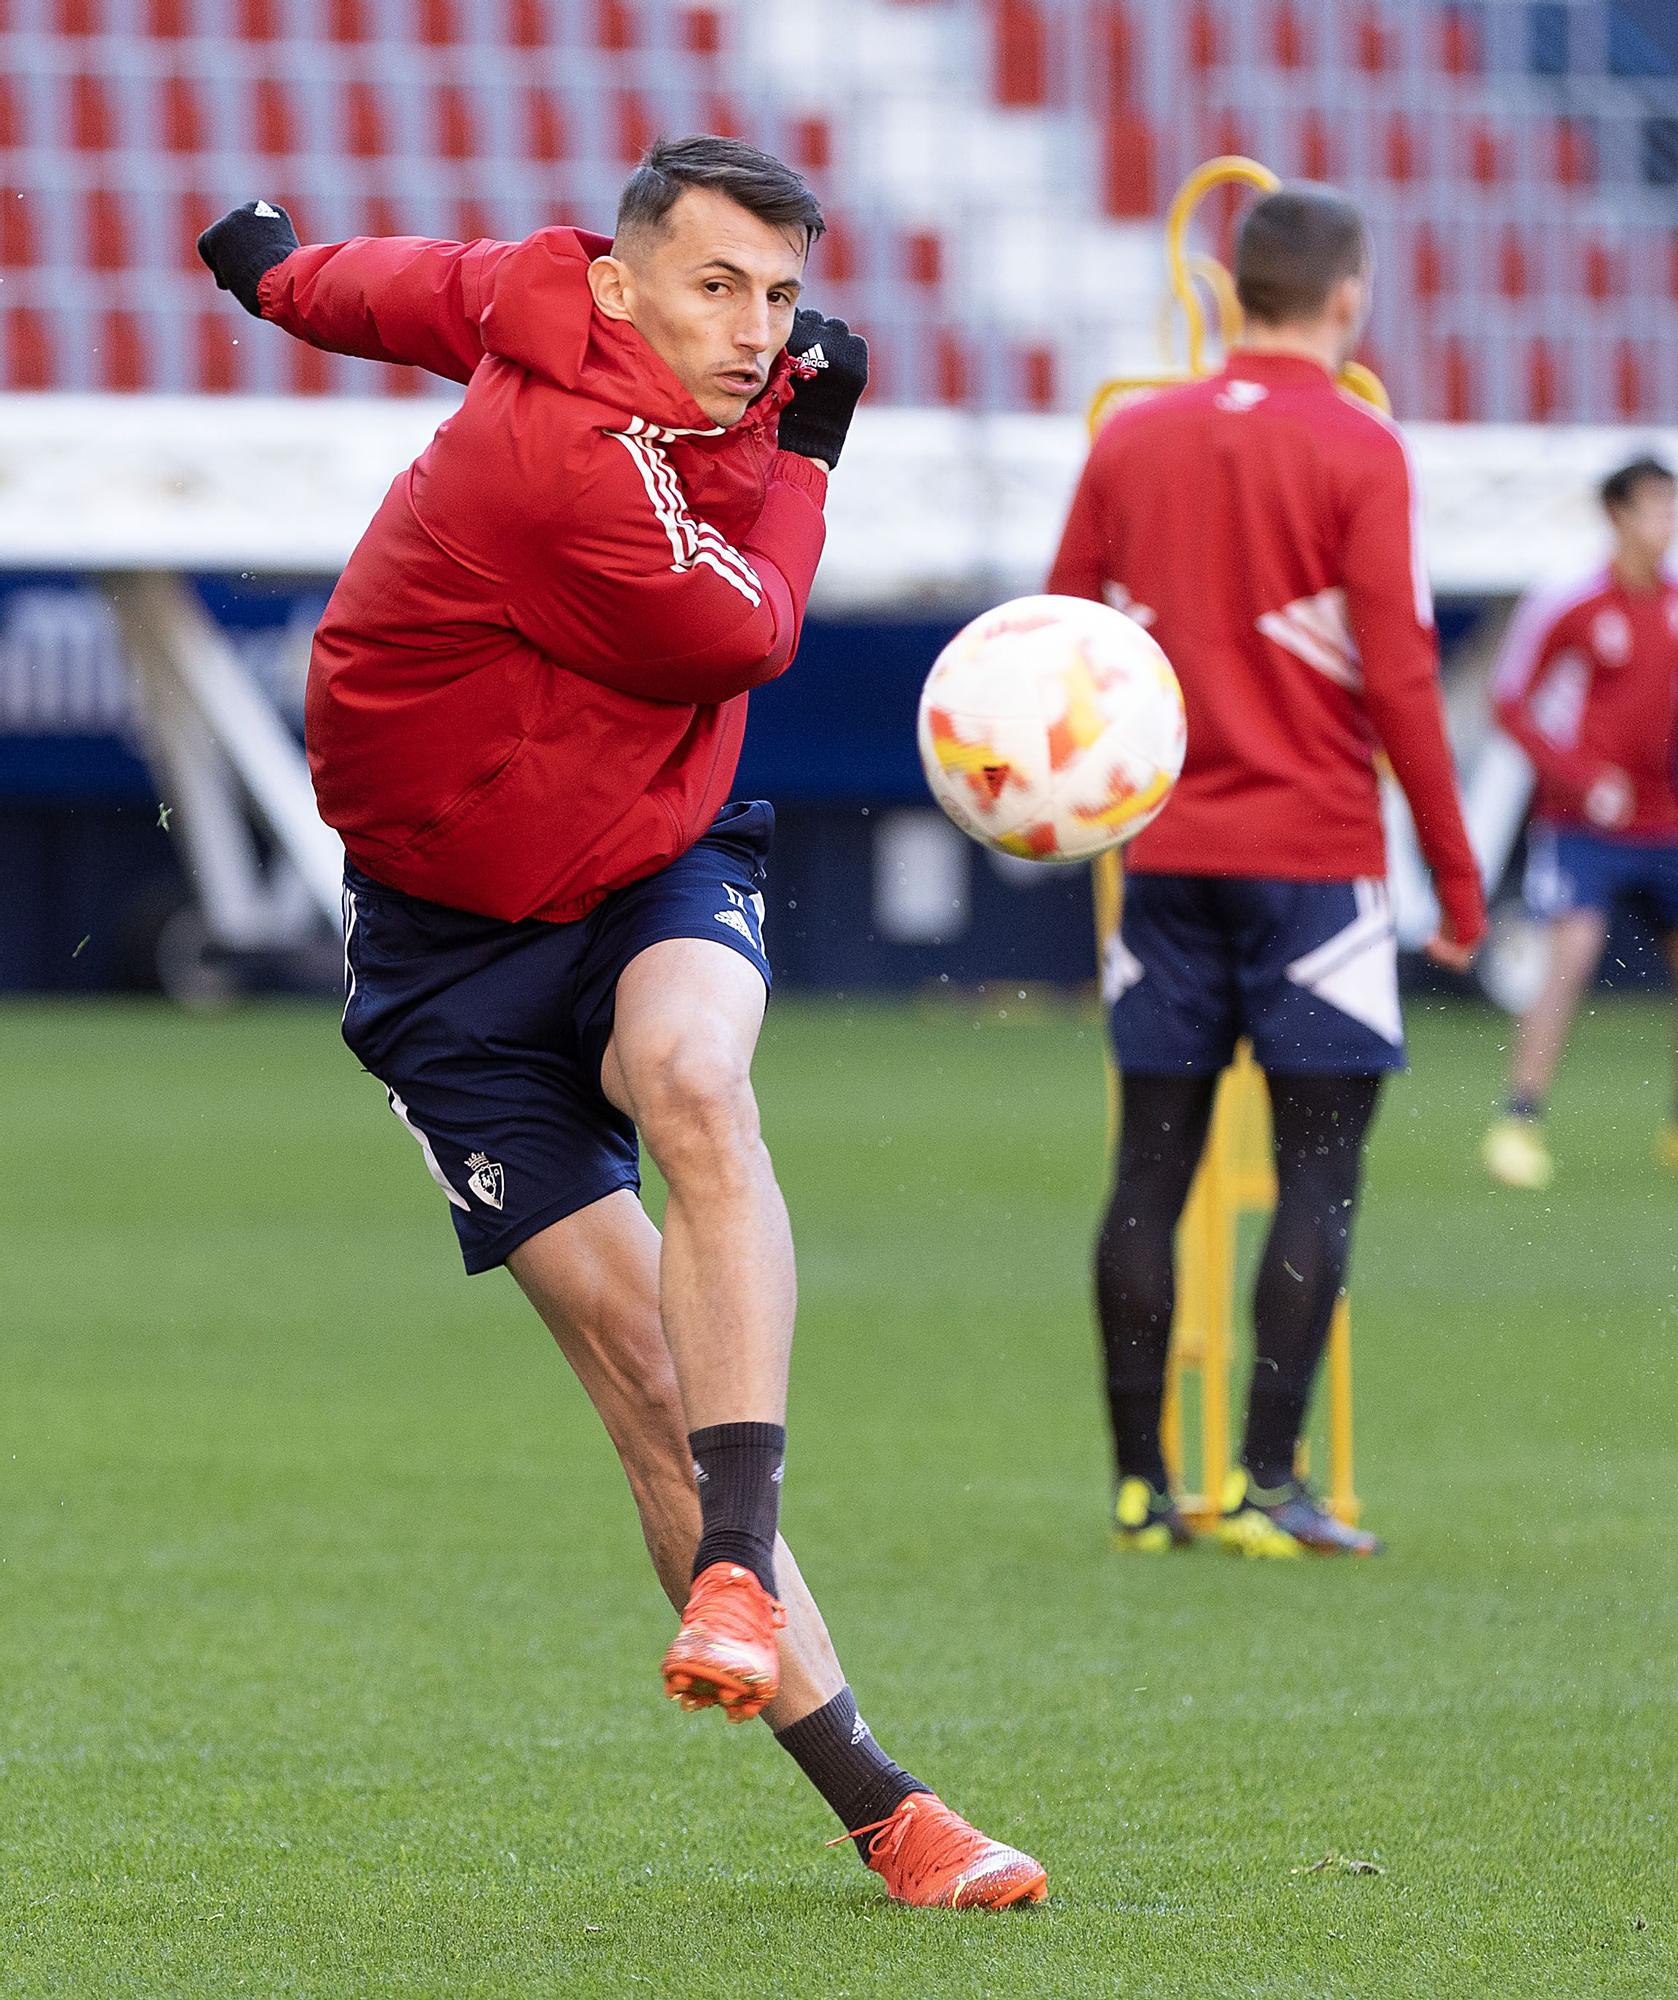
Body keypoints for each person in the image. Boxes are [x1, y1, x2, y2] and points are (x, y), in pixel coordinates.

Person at [197, 135, 1045, 1909]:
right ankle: (879, 1806)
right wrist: (809, 459)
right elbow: (743, 631)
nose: (754, 334)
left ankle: (738, 1565)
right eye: (717, 288)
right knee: (639, 1380)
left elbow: (393, 287)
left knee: (690, 1081)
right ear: (617, 282)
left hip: (652, 856)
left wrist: (277, 272)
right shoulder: (566, 463)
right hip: (446, 960)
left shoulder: (528, 288)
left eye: (782, 298)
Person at [1047, 183, 1486, 1560]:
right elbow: (1402, 679)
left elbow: (1060, 632)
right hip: (1311, 862)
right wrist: (1457, 879)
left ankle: (1136, 1486)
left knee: (1147, 1176)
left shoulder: (1132, 435)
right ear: (1347, 296)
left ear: (1231, 289)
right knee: (1314, 1175)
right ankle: (1263, 1481)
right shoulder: (1360, 445)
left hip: (1164, 856)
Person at [1482, 457, 1678, 1190]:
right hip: (1581, 826)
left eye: (1671, 508)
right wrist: (1581, 776)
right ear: (1618, 516)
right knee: (1570, 958)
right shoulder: (1571, 602)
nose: (1666, 524)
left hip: (1665, 820)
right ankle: (1519, 1119)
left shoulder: (1671, 603)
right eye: (1654, 509)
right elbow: (1507, 704)